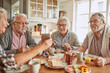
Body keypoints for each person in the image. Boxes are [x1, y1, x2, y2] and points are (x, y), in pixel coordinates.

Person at [0, 7, 52, 72]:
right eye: (21, 23)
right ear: (14, 24)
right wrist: (18, 50)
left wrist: (30, 49)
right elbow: (3, 57)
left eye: (26, 23)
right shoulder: (6, 33)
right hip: (12, 68)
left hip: (24, 65)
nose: (24, 26)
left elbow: (33, 45)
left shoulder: (26, 33)